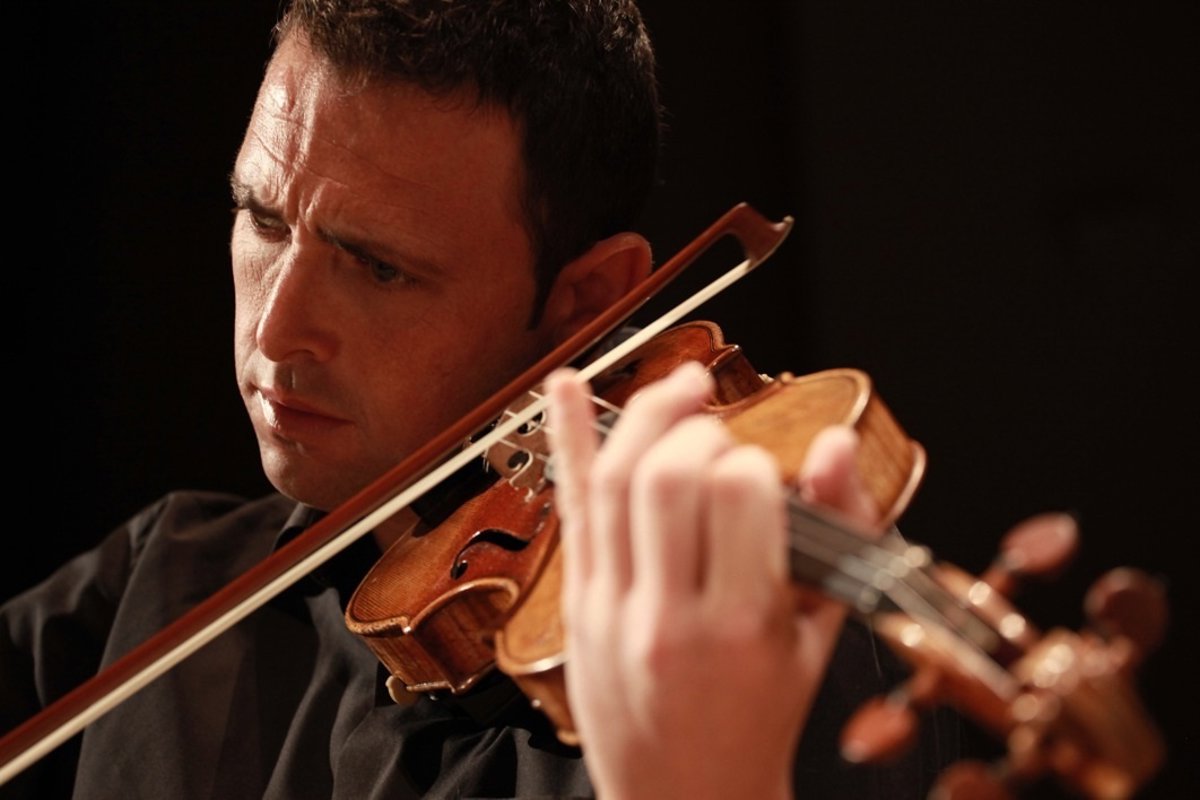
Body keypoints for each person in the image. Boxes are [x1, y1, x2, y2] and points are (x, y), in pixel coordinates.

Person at [0, 1, 993, 797]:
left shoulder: (739, 661)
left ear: (587, 301)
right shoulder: (163, 584)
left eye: (378, 267)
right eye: (263, 219)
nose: (276, 332)